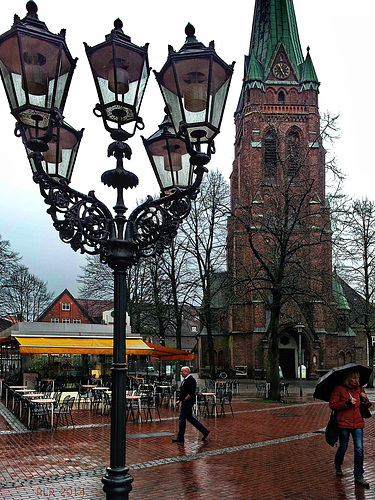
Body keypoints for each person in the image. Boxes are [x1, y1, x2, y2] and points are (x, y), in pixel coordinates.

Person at [329, 371, 372, 488]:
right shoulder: (339, 389)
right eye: (354, 378)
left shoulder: (360, 389)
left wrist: (364, 399)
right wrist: (346, 403)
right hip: (343, 423)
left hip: (358, 423)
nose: (356, 380)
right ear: (348, 379)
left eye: (358, 378)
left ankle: (359, 476)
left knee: (359, 448)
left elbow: (367, 405)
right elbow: (332, 405)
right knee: (343, 447)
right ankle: (338, 465)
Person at [172, 366, 210, 443]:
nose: (181, 373)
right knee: (190, 418)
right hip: (185, 401)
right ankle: (204, 431)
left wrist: (186, 399)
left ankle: (180, 437)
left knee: (182, 419)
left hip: (188, 402)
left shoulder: (191, 380)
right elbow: (183, 391)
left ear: (187, 372)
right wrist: (180, 400)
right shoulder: (185, 380)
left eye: (182, 371)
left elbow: (191, 392)